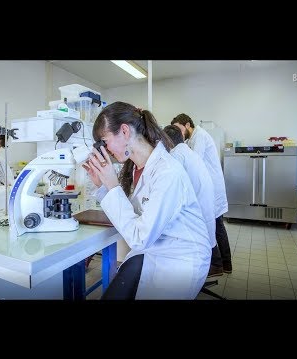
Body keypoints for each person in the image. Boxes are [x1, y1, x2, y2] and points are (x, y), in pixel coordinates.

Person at [82, 102, 211, 300]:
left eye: (104, 141)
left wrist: (113, 187)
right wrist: (103, 186)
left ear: (124, 131)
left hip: (182, 259)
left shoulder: (167, 173)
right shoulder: (137, 167)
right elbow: (132, 211)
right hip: (157, 249)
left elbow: (140, 238)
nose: (105, 150)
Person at [171, 113, 232, 275]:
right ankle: (223, 264)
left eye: (179, 128)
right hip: (207, 187)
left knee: (216, 226)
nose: (179, 132)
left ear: (187, 124)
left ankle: (222, 264)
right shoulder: (192, 138)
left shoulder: (199, 137)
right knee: (215, 225)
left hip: (211, 188)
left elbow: (193, 159)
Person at [163, 125, 218, 274]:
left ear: (166, 141)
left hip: (195, 224)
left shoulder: (176, 156)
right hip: (204, 211)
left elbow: (170, 189)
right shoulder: (188, 152)